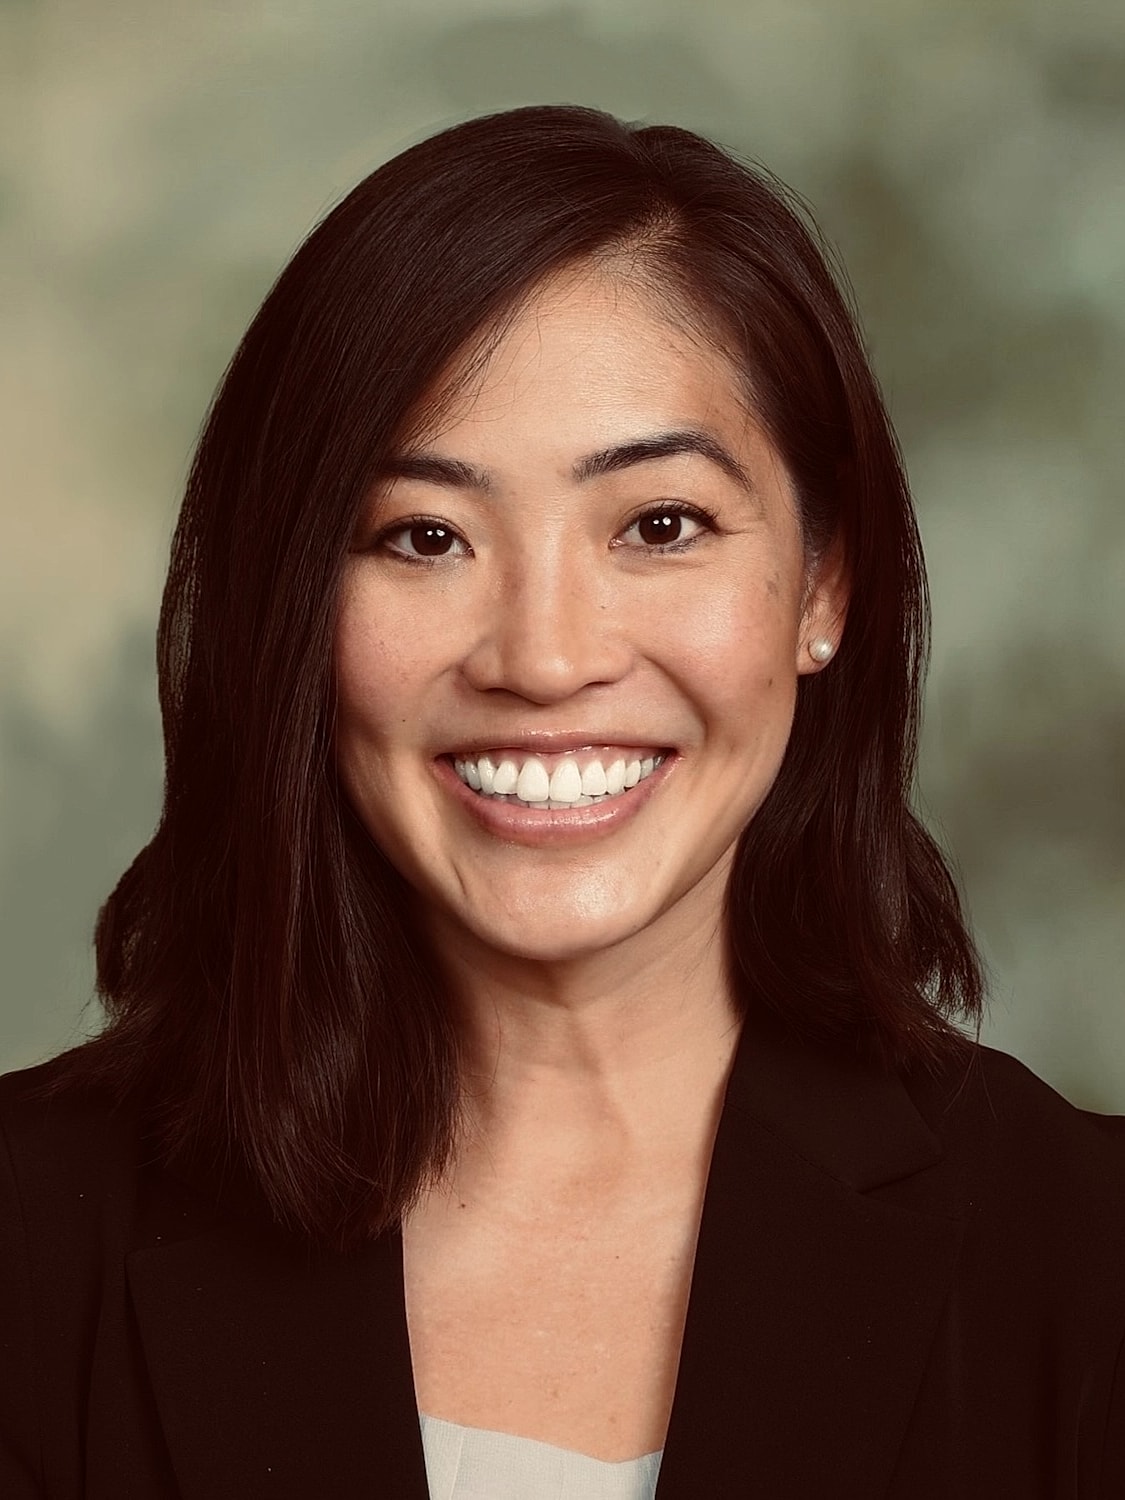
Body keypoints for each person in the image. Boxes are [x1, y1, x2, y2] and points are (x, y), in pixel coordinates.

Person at [1, 103, 1122, 1500]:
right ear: (289, 606)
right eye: (424, 536)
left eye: (658, 526)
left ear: (824, 586)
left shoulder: (1087, 1259)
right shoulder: (28, 1251)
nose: (542, 656)